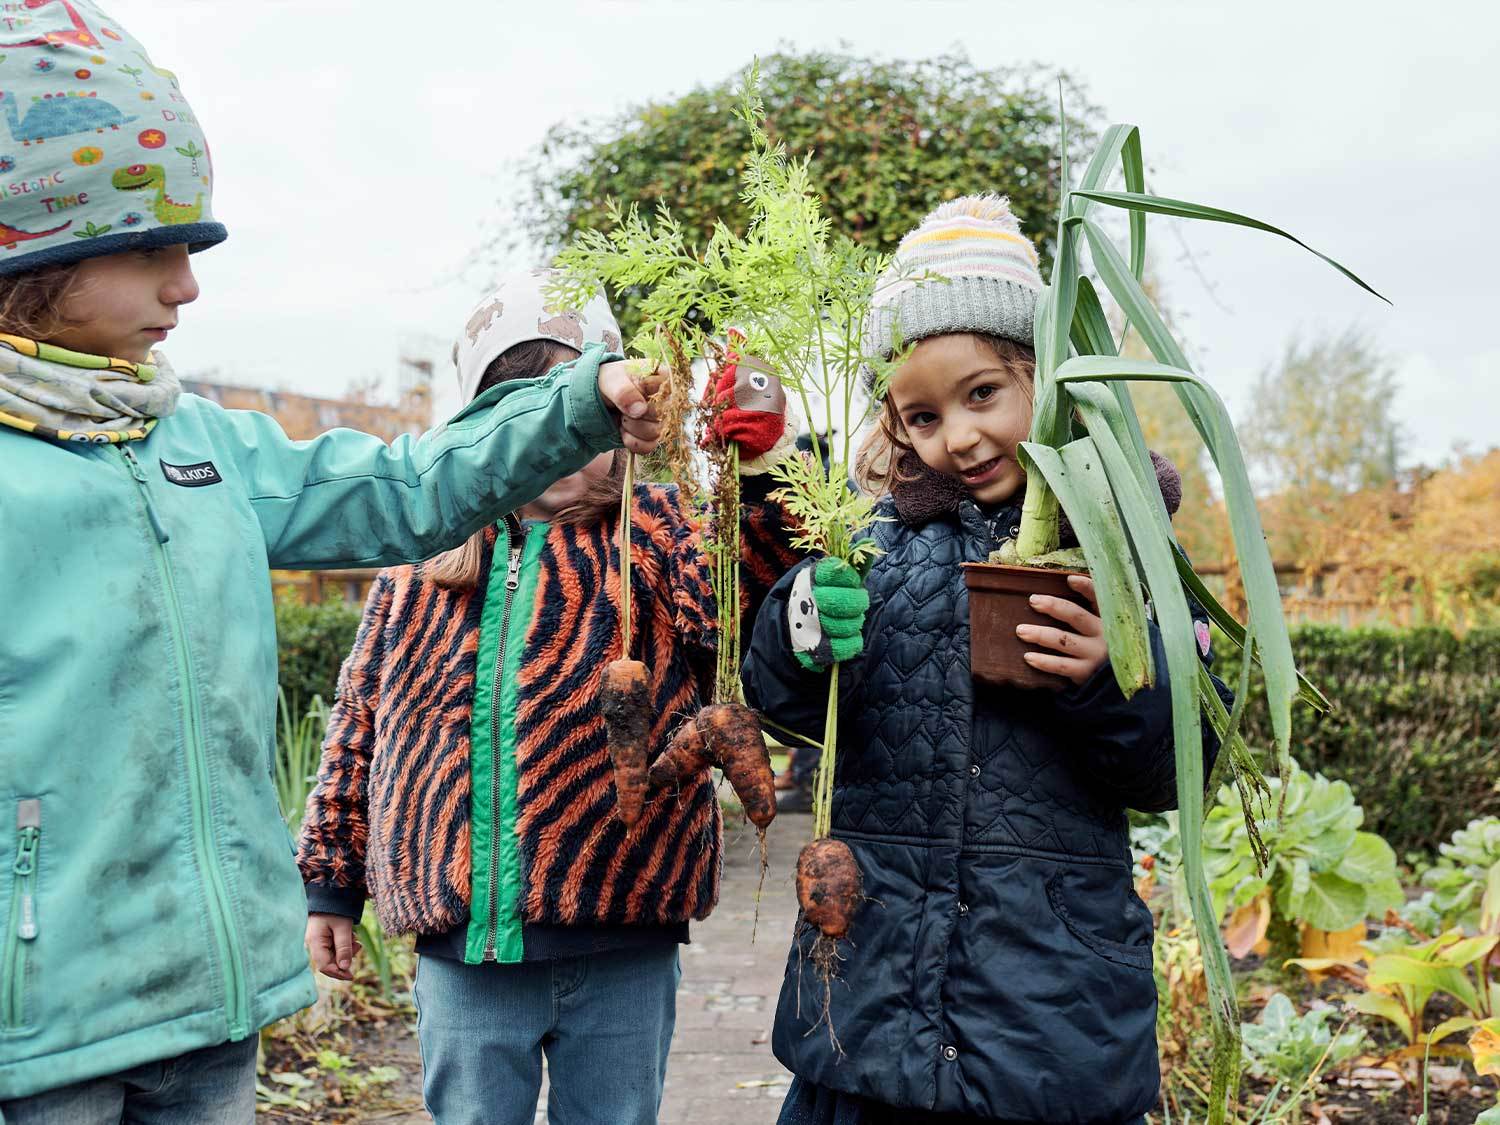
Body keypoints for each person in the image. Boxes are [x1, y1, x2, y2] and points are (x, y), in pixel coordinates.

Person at [0, 10, 661, 1120]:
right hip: (40, 1028)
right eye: (153, 249)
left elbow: (407, 492)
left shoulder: (202, 446)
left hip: (208, 1011)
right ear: (36, 251)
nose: (187, 287)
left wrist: (574, 404)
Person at [743, 196, 1224, 1125]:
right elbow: (785, 702)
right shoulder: (874, 541)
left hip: (1047, 1017)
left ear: (1042, 377)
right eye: (920, 416)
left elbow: (1177, 765)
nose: (956, 437)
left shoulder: (1120, 548)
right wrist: (801, 622)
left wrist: (1112, 673)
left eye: (981, 396)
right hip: (868, 1014)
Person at [297, 275, 803, 1125]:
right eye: (525, 414)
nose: (561, 442)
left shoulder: (660, 537)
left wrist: (756, 478)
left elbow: (739, 596)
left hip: (623, 933)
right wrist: (330, 882)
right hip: (464, 951)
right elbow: (357, 730)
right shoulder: (419, 570)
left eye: (580, 414)